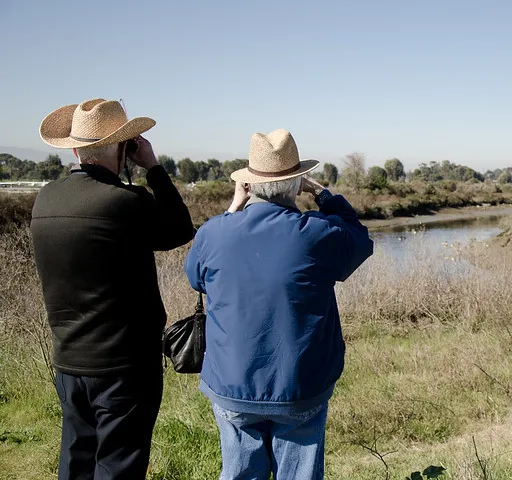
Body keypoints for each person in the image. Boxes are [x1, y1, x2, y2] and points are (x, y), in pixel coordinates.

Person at [184, 129, 373, 480]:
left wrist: (233, 206)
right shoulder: (316, 234)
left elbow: (195, 276)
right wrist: (325, 195)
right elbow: (360, 240)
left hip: (232, 383)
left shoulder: (214, 233)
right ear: (297, 184)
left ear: (249, 184)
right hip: (299, 384)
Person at [30, 98, 195, 479]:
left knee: (76, 458)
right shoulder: (125, 202)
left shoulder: (45, 199)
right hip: (124, 365)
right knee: (119, 465)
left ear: (73, 147)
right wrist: (152, 167)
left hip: (68, 358)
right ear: (123, 148)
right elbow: (180, 229)